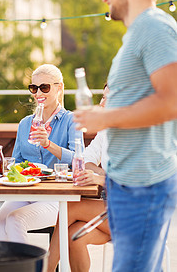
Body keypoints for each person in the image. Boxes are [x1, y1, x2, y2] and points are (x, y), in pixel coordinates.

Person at [74, 0, 177, 270]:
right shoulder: (139, 33)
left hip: (143, 186)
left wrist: (104, 117)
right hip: (126, 185)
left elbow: (171, 100)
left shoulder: (155, 28)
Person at [0, 64, 82, 243]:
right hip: (26, 192)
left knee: (15, 220)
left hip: (56, 196)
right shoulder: (25, 124)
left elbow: (78, 160)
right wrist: (13, 169)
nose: (38, 93)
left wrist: (48, 144)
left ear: (59, 87)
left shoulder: (71, 120)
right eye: (34, 88)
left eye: (44, 87)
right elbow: (16, 161)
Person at [48, 85, 110, 272]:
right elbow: (84, 160)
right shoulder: (106, 132)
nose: (102, 103)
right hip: (109, 211)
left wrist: (100, 179)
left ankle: (46, 269)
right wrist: (101, 176)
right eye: (102, 97)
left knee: (69, 206)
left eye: (109, 98)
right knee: (74, 236)